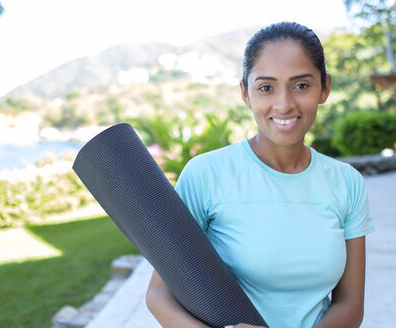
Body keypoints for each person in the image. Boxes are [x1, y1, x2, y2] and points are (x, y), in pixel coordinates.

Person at [146, 22, 375, 328]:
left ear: (325, 88)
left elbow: (349, 304)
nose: (284, 104)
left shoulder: (346, 183)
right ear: (246, 93)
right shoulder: (206, 174)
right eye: (266, 87)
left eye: (302, 85)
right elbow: (159, 294)